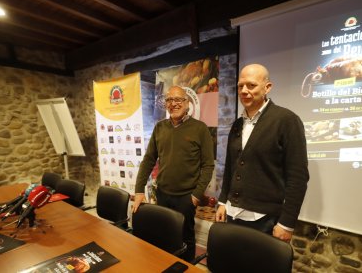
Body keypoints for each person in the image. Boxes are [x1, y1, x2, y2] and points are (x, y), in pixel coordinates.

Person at [215, 64, 309, 242]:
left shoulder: (287, 121)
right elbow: (230, 168)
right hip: (232, 215)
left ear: (267, 87)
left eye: (251, 85)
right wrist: (222, 202)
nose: (244, 90)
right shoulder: (237, 124)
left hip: (264, 220)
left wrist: (286, 223)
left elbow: (298, 177)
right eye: (240, 85)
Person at [132, 85, 215, 262]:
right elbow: (148, 160)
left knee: (186, 237)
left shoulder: (200, 128)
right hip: (162, 194)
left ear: (187, 103)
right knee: (165, 234)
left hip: (186, 197)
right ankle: (167, 264)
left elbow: (208, 165)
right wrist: (139, 190)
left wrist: (196, 195)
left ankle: (187, 267)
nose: (173, 104)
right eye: (169, 100)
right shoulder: (159, 128)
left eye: (178, 99)